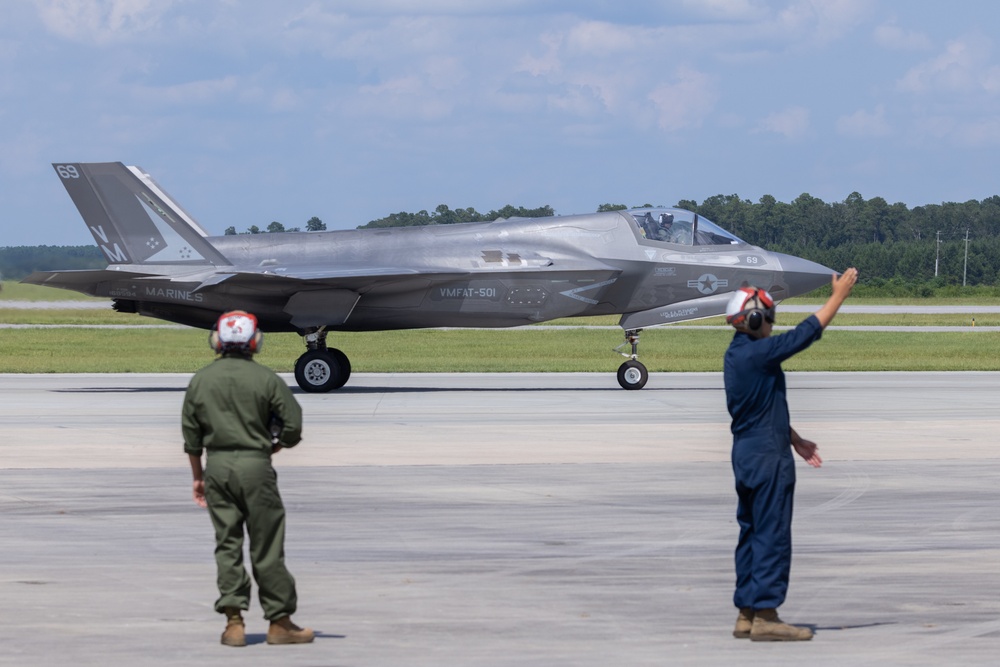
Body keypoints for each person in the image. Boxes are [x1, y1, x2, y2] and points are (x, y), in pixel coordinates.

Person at [723, 268, 858, 642]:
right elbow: (806, 333)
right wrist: (838, 296)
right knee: (772, 534)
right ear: (754, 319)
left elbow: (761, 407)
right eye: (767, 319)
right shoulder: (761, 353)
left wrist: (795, 438)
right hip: (768, 456)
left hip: (747, 452)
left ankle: (746, 613)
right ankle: (767, 616)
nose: (770, 326)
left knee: (751, 533)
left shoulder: (737, 355)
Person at [182, 310, 314, 647]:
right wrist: (275, 448)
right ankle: (280, 623)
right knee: (266, 545)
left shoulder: (201, 380)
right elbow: (293, 426)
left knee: (227, 544)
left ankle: (234, 624)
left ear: (217, 341)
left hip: (218, 468)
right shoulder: (267, 379)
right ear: (255, 342)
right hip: (256, 467)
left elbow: (192, 437)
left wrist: (199, 478)